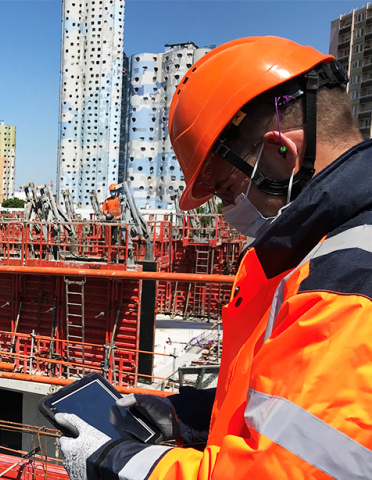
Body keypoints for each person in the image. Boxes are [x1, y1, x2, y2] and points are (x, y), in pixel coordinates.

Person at [58, 36, 372, 480]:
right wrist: (186, 417)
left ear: (283, 153)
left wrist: (117, 463)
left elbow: (281, 470)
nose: (228, 214)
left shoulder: (347, 281)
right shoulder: (325, 250)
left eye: (226, 189)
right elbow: (297, 412)